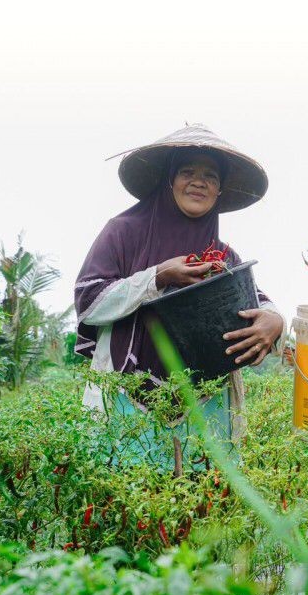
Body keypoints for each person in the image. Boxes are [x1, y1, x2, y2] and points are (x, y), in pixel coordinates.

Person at [74, 124, 284, 466]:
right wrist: (158, 276)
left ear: (219, 191)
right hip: (130, 393)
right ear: (169, 180)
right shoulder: (123, 232)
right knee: (126, 496)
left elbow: (256, 300)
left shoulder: (222, 255)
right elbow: (89, 301)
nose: (199, 181)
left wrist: (274, 321)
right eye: (187, 171)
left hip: (206, 400)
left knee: (203, 501)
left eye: (211, 176)